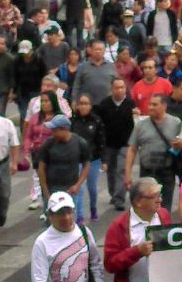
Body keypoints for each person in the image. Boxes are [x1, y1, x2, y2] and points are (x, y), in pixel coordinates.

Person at [103, 177, 172, 282]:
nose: (160, 200)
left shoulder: (164, 216)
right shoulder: (118, 227)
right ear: (138, 201)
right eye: (154, 196)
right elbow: (110, 264)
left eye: (159, 195)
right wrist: (137, 252)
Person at [31, 192, 105, 282]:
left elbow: (95, 263)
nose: (66, 217)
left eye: (69, 212)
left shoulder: (84, 232)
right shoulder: (42, 242)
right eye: (60, 213)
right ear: (50, 216)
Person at [125, 94, 182, 209]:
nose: (150, 107)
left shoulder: (175, 122)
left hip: (167, 172)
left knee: (164, 207)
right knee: (146, 205)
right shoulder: (140, 125)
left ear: (164, 106)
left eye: (155, 104)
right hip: (147, 172)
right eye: (149, 104)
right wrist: (127, 174)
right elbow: (132, 150)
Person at [37, 115, 91, 217]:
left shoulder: (80, 143)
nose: (52, 133)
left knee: (69, 219)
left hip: (70, 189)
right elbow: (41, 168)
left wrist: (78, 185)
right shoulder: (48, 144)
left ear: (65, 129)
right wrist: (46, 192)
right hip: (52, 188)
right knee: (51, 219)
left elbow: (86, 164)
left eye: (55, 130)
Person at [96, 78, 135, 211]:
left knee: (121, 170)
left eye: (122, 87)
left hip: (126, 143)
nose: (119, 90)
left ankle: (120, 198)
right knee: (111, 170)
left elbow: (136, 123)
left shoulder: (130, 104)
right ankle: (113, 193)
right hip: (109, 143)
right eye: (117, 88)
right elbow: (100, 125)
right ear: (111, 89)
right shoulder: (104, 104)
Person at [24, 91, 64, 211]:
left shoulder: (59, 118)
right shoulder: (36, 117)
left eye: (47, 101)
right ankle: (46, 208)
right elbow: (28, 135)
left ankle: (55, 206)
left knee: (53, 182)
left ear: (53, 102)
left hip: (54, 155)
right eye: (42, 101)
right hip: (38, 154)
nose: (44, 104)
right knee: (42, 181)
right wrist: (26, 148)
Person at [71, 94, 106, 222]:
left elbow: (101, 141)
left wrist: (104, 160)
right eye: (81, 103)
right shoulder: (73, 121)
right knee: (79, 187)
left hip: (93, 159)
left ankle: (93, 208)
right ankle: (79, 215)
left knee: (92, 188)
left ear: (90, 106)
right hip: (78, 159)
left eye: (86, 103)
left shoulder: (96, 120)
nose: (83, 106)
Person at [71, 40, 117, 106]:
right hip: (87, 105)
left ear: (104, 51)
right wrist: (74, 100)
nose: (98, 52)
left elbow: (116, 84)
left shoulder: (111, 66)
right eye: (96, 49)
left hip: (107, 105)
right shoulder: (82, 67)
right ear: (91, 51)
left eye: (100, 49)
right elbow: (77, 85)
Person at [13, 40, 49, 122]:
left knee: (36, 112)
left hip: (36, 90)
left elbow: (44, 74)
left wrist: (44, 88)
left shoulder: (39, 60)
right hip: (22, 91)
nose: (25, 54)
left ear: (31, 50)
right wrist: (14, 92)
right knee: (24, 114)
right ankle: (25, 131)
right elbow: (15, 76)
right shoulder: (17, 60)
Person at [0, 111, 19, 226]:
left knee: (4, 193)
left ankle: (1, 215)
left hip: (3, 163)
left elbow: (14, 143)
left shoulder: (6, 123)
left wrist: (14, 163)